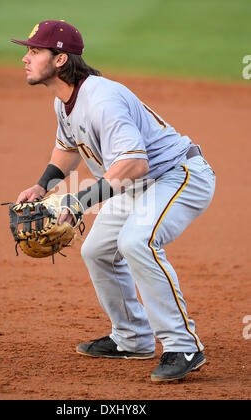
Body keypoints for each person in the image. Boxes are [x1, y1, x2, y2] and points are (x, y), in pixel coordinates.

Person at [11, 20, 216, 382]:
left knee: (137, 241)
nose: (25, 58)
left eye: (34, 51)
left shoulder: (101, 99)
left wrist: (78, 202)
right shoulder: (65, 102)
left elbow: (135, 162)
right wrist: (42, 186)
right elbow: (67, 150)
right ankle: (132, 338)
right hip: (138, 184)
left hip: (177, 175)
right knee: (97, 251)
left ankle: (183, 345)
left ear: (60, 60)